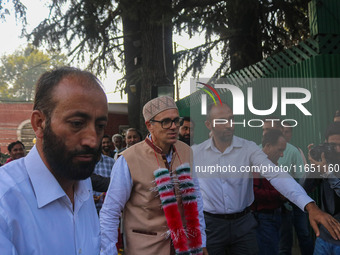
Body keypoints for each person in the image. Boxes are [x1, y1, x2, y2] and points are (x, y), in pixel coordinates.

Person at [193, 103, 340, 255]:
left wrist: (310, 206)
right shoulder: (195, 154)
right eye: (222, 121)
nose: (229, 125)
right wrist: (198, 236)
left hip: (243, 225)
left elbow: (276, 174)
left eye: (231, 119)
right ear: (208, 124)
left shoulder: (249, 149)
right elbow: (192, 198)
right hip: (211, 226)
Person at [0, 67, 108, 254]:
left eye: (100, 126)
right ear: (39, 123)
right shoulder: (5, 202)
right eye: (76, 123)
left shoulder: (83, 185)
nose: (92, 139)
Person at [100, 96, 207, 255]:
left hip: (182, 248)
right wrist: (109, 252)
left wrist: (201, 241)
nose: (173, 127)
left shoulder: (186, 151)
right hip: (145, 247)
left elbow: (196, 198)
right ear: (149, 125)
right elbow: (110, 212)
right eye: (165, 122)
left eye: (176, 120)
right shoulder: (129, 159)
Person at [263, 120, 314, 255]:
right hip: (275, 206)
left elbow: (300, 178)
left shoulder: (293, 151)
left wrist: (291, 195)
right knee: (283, 242)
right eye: (264, 129)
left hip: (294, 203)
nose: (266, 132)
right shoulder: (257, 151)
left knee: (303, 234)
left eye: (269, 129)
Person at [302, 122, 340, 254]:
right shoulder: (326, 163)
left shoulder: (327, 169)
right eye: (333, 145)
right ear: (326, 143)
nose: (338, 150)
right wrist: (312, 168)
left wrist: (328, 174)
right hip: (324, 238)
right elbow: (302, 189)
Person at [252, 129, 287, 255]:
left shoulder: (272, 164)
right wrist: (279, 194)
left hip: (273, 216)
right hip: (264, 218)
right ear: (267, 146)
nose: (282, 155)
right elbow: (254, 192)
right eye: (280, 150)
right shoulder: (256, 165)